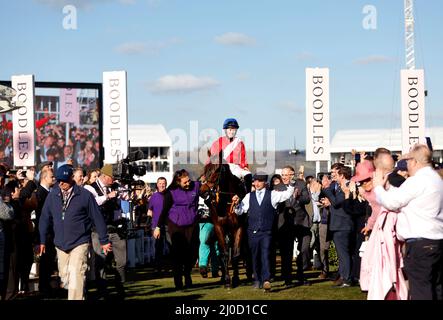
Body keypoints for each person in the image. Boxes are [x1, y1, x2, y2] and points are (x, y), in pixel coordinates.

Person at [374, 144, 443, 300]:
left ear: (415, 161)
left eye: (408, 160)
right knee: (436, 288)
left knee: (421, 289)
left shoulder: (417, 181)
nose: (406, 164)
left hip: (420, 244)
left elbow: (392, 203)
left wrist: (378, 187)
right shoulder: (437, 180)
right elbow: (404, 198)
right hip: (437, 241)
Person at [38, 164, 111, 300]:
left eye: (64, 180)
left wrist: (104, 240)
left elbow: (97, 217)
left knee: (77, 275)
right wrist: (42, 240)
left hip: (80, 241)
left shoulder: (85, 195)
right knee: (66, 278)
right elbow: (44, 218)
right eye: (58, 180)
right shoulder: (53, 195)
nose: (61, 183)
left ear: (71, 178)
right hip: (60, 243)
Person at [233, 173, 296, 291]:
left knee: (266, 255)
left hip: (267, 231)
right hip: (252, 232)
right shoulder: (248, 196)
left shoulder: (272, 195)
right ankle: (257, 280)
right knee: (255, 256)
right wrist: (236, 205)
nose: (256, 184)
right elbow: (240, 211)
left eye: (259, 181)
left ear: (265, 183)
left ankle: (266, 279)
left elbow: (287, 194)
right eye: (255, 181)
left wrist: (291, 183)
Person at [84, 165, 127, 299]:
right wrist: (108, 196)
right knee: (100, 261)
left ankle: (119, 284)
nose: (114, 180)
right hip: (98, 230)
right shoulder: (90, 187)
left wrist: (127, 190)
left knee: (122, 261)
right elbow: (93, 202)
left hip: (115, 228)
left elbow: (127, 198)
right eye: (112, 178)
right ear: (104, 176)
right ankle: (102, 291)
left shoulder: (115, 186)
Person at [156, 169, 200, 290]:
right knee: (178, 254)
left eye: (189, 181)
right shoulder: (171, 192)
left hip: (192, 224)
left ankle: (187, 273)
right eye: (185, 182)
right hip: (176, 225)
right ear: (178, 182)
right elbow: (164, 211)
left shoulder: (195, 186)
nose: (188, 184)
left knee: (192, 253)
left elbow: (209, 184)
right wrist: (158, 227)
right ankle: (178, 280)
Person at [275, 166, 312, 286]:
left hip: (301, 221)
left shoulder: (301, 184)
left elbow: (307, 199)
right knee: (287, 252)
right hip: (286, 223)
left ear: (292, 174)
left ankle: (301, 275)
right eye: (283, 175)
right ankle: (288, 278)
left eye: (286, 175)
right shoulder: (278, 188)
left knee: (304, 249)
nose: (284, 177)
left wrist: (298, 198)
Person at [322, 164, 354, 288]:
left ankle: (347, 278)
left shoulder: (346, 186)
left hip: (343, 225)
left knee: (343, 253)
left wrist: (326, 188)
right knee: (342, 253)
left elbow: (336, 202)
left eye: (336, 174)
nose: (333, 176)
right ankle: (342, 276)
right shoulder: (338, 187)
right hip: (338, 224)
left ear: (342, 175)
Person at [208, 118, 252, 192]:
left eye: (234, 129)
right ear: (225, 130)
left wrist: (244, 166)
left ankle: (247, 197)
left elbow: (243, 157)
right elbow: (212, 157)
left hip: (236, 167)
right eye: (230, 129)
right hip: (222, 166)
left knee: (248, 174)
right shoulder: (218, 142)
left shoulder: (240, 142)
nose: (232, 131)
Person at [149, 177, 170, 274]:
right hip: (156, 225)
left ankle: (170, 266)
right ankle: (158, 267)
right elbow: (150, 211)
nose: (162, 185)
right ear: (157, 184)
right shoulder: (154, 196)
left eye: (163, 183)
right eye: (160, 183)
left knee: (170, 246)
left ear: (166, 184)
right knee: (157, 246)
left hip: (168, 224)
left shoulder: (169, 195)